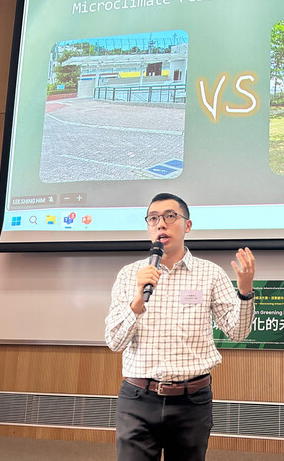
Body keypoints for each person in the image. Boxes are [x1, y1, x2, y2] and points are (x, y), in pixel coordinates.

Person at [105, 193, 256, 461]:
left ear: (187, 225)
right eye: (153, 219)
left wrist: (244, 292)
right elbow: (114, 341)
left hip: (192, 401)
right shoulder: (130, 275)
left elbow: (237, 332)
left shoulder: (210, 274)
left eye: (169, 217)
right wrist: (138, 301)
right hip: (138, 398)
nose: (161, 224)